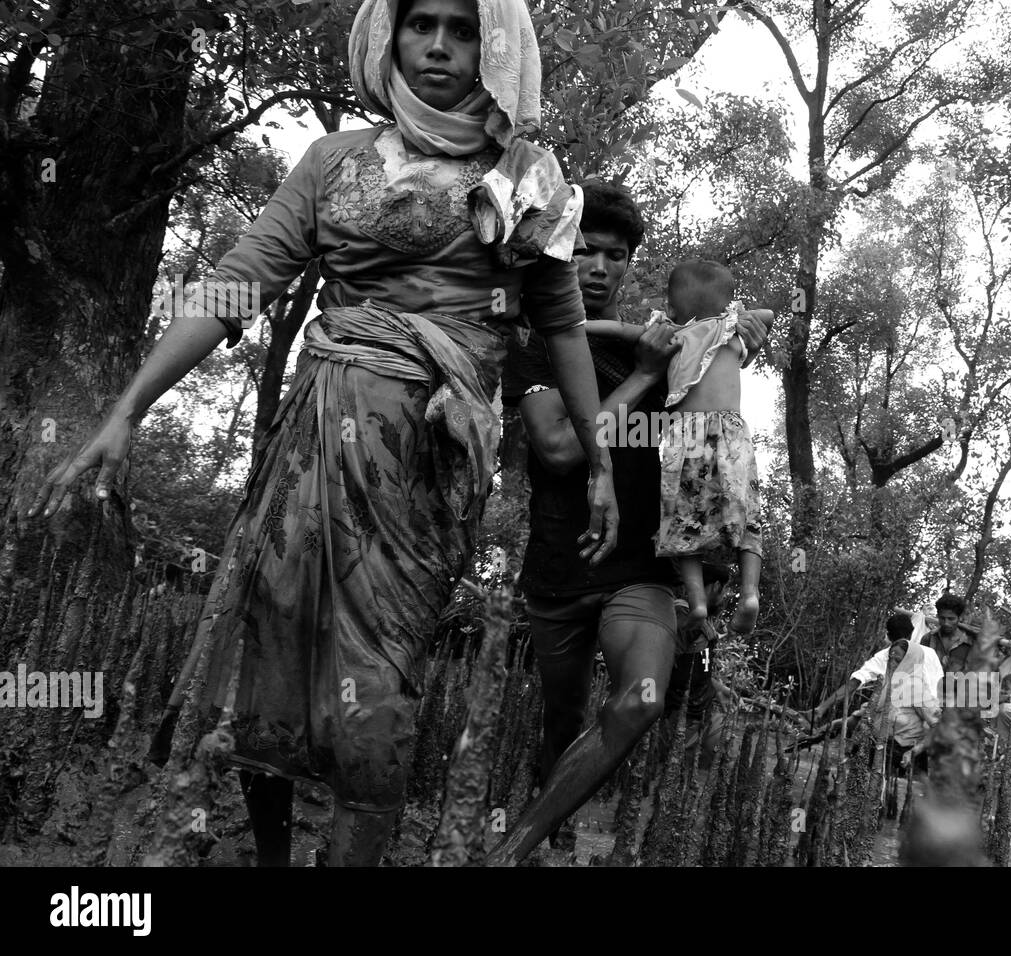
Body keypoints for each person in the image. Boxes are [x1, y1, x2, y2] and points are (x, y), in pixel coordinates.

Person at [28, 0, 619, 867]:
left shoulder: (529, 177)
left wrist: (599, 462)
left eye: (462, 30)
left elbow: (561, 325)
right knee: (265, 655)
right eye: (423, 26)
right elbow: (241, 282)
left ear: (494, 48)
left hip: (422, 464)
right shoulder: (333, 160)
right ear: (391, 35)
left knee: (376, 685)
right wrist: (129, 408)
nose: (440, 48)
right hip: (313, 436)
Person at [492, 183, 772, 865]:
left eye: (612, 255)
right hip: (562, 567)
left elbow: (714, 383)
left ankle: (511, 850)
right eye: (581, 251)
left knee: (640, 698)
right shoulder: (541, 347)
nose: (595, 266)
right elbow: (560, 450)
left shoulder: (661, 339)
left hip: (644, 571)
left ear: (628, 264)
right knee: (560, 725)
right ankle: (548, 836)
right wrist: (645, 376)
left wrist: (741, 337)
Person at [586, 260, 767, 633]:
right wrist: (739, 315)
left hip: (686, 440)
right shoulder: (731, 332)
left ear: (670, 308)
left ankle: (697, 603)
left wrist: (577, 325)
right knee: (748, 514)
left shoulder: (671, 336)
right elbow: (766, 314)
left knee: (683, 520)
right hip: (731, 436)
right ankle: (750, 594)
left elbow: (619, 329)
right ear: (727, 304)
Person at [807, 612, 942, 766]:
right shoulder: (898, 674)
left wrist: (824, 707)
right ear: (912, 632)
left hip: (909, 736)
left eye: (897, 660)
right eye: (892, 660)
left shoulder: (910, 680)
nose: (892, 663)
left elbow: (855, 683)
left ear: (888, 635)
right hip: (900, 729)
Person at [660, 561, 731, 775]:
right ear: (716, 586)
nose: (725, 596)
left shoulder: (699, 620)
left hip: (699, 715)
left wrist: (717, 687)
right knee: (671, 775)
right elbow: (664, 665)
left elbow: (691, 666)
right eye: (725, 590)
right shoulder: (684, 618)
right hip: (678, 717)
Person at [921, 593, 976, 675]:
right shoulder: (928, 639)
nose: (946, 623)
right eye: (942, 618)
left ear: (960, 617)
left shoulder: (971, 642)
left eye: (951, 619)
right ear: (938, 616)